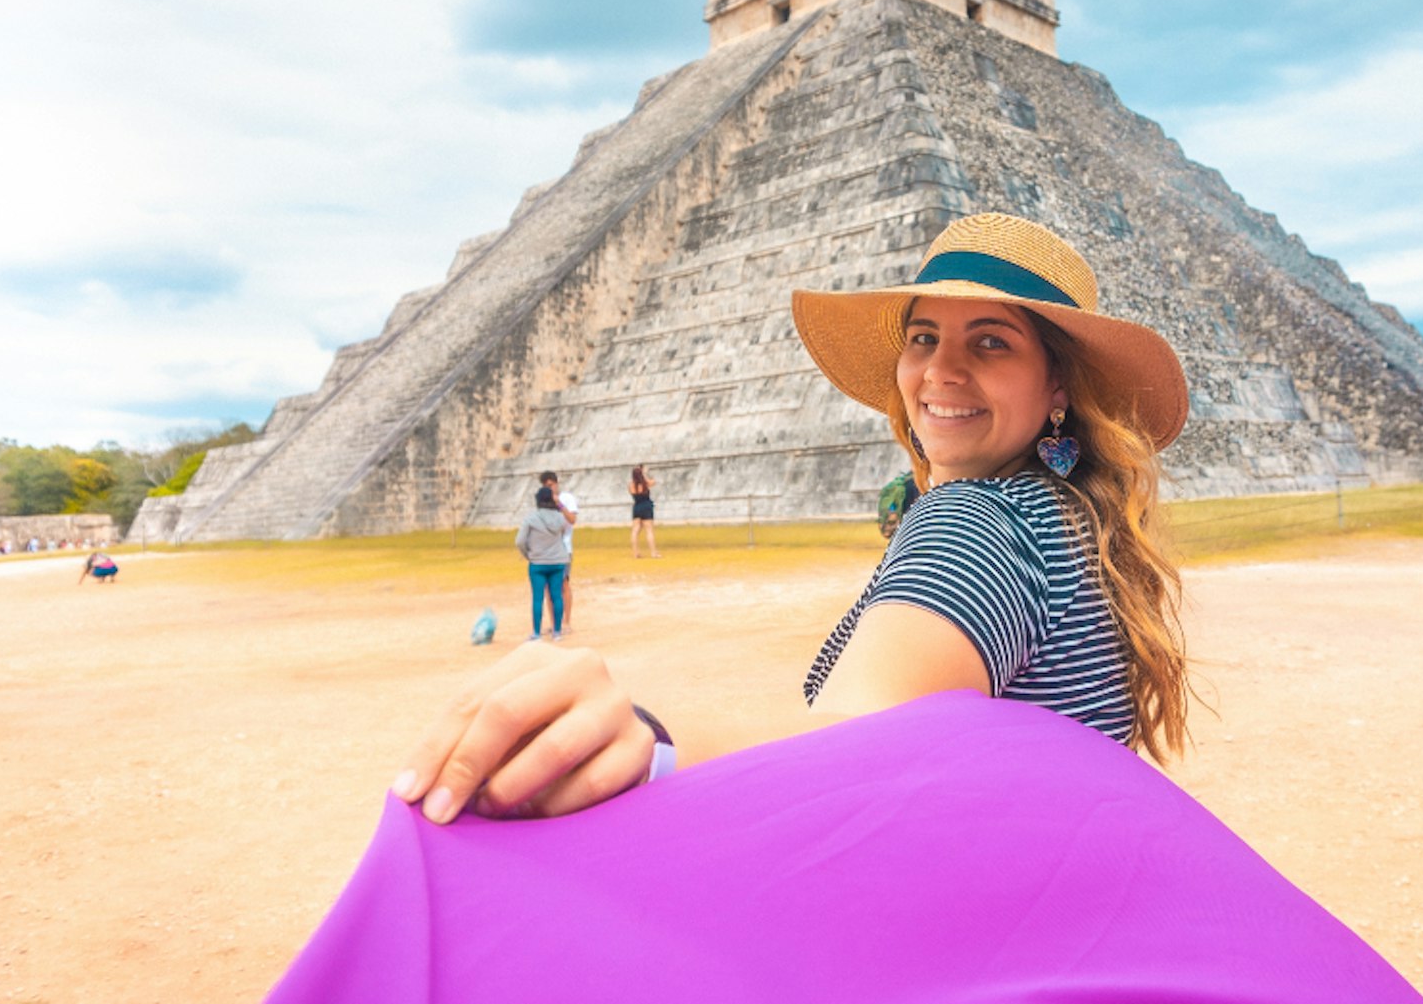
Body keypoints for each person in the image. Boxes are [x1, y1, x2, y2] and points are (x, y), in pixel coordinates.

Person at [392, 211, 1193, 824]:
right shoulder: (1074, 523)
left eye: (991, 342)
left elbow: (848, 743)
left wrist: (647, 739)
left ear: (1058, 387)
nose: (940, 370)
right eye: (923, 337)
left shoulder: (979, 523)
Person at [515, 487, 570, 642]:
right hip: (558, 561)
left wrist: (528, 554)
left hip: (538, 562)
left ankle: (536, 633)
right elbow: (563, 534)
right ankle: (557, 632)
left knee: (538, 598)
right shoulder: (560, 518)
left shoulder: (531, 518)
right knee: (557, 596)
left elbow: (519, 541)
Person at [538, 471, 580, 632]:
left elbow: (572, 520)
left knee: (563, 584)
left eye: (551, 485)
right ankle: (554, 623)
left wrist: (559, 505)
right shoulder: (543, 502)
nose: (549, 489)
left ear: (556, 483)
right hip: (547, 549)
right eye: (546, 487)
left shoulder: (567, 499)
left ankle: (566, 622)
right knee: (549, 587)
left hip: (564, 548)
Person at [628, 465, 660, 559]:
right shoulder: (645, 483)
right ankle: (653, 553)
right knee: (649, 531)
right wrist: (645, 474)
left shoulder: (631, 485)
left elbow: (633, 492)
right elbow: (653, 482)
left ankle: (635, 553)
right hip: (646, 507)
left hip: (637, 507)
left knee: (635, 531)